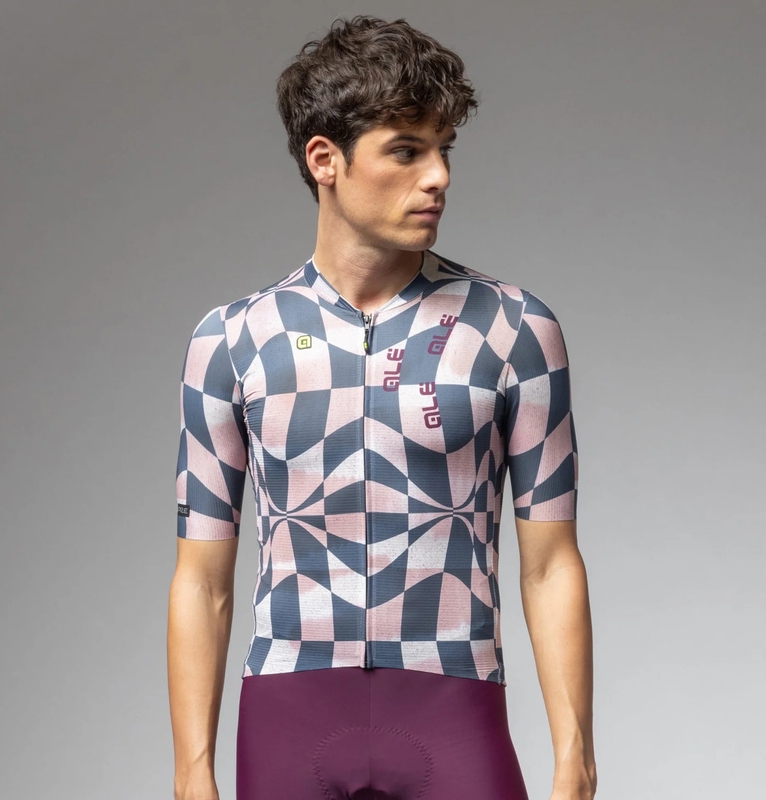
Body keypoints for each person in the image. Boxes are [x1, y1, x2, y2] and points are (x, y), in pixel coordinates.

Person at [167, 14, 596, 800]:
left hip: (454, 704)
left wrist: (576, 755)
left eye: (444, 149)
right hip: (289, 713)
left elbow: (551, 563)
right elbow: (202, 579)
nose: (439, 177)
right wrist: (192, 770)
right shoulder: (230, 340)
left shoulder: (514, 329)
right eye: (406, 150)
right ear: (324, 160)